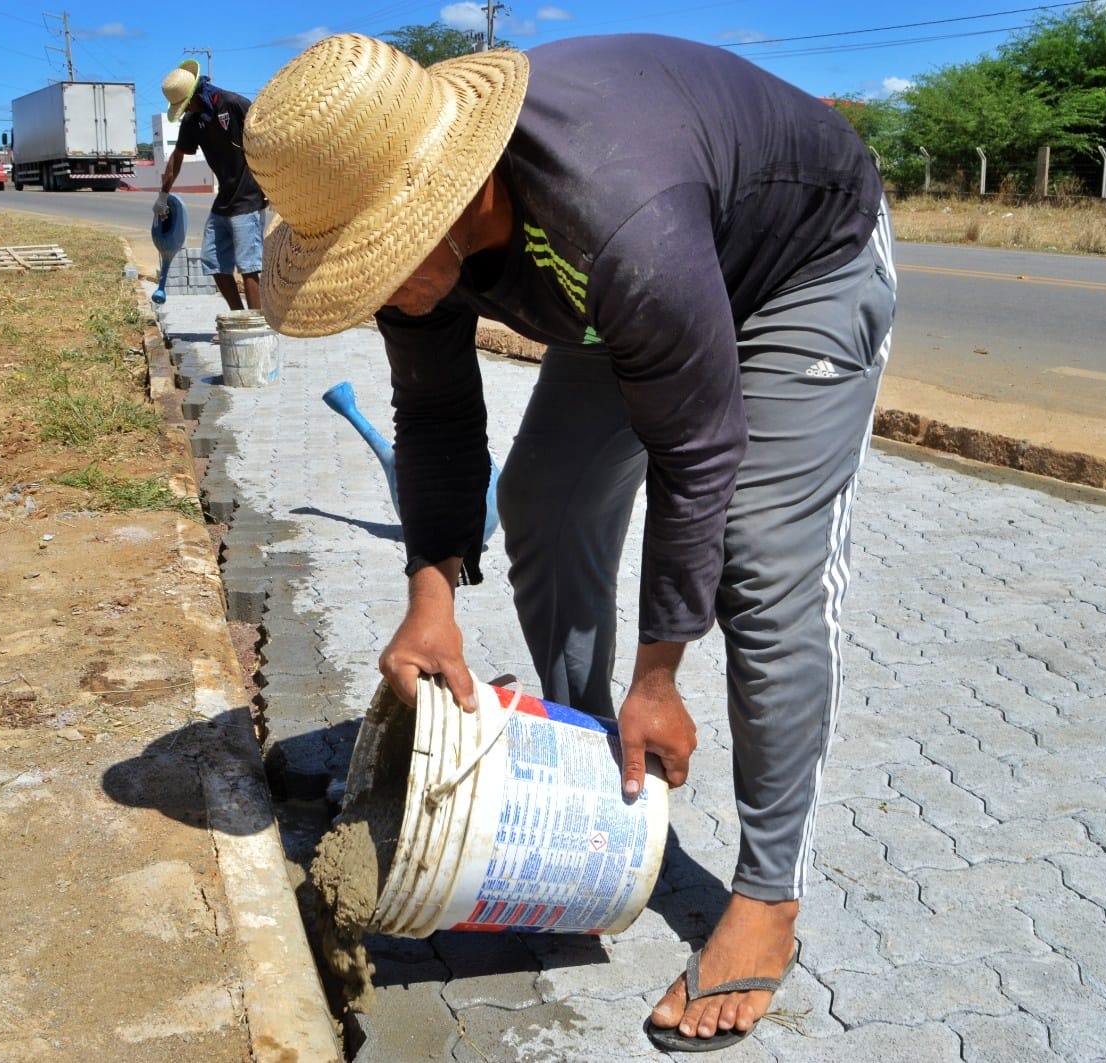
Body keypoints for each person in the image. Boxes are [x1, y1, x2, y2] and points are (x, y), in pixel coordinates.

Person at [245, 33, 895, 1051]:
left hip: (794, 262)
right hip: (646, 281)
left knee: (763, 568)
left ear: (455, 198)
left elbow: (699, 450)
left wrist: (660, 670)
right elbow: (441, 419)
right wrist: (431, 599)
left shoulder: (617, 213)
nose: (373, 290)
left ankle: (769, 891)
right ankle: (595, 769)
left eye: (375, 260)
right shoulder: (422, 246)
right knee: (546, 499)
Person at [156, 59, 266, 311]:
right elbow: (177, 156)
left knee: (248, 265)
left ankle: (256, 325)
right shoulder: (193, 120)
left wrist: (271, 187)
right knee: (212, 259)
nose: (185, 110)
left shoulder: (234, 104)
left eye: (186, 104)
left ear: (196, 93)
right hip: (225, 197)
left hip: (249, 195)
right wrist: (163, 195)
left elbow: (266, 140)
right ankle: (238, 316)